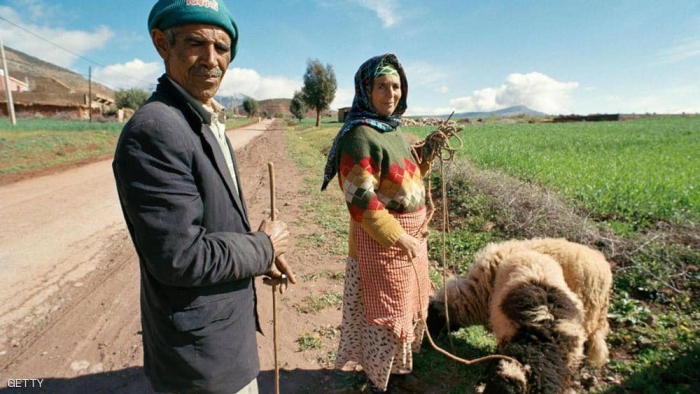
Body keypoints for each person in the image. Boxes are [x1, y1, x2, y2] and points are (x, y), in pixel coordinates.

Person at [112, 1, 295, 393]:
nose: (212, 59)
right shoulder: (155, 130)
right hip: (201, 362)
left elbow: (212, 225)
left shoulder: (204, 120)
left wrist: (258, 257)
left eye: (222, 48)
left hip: (223, 341)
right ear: (163, 44)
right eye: (196, 42)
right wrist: (262, 246)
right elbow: (180, 256)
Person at [322, 54, 439, 393]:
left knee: (403, 308)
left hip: (408, 240)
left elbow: (403, 181)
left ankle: (397, 374)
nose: (391, 93)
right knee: (384, 314)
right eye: (382, 86)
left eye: (396, 86)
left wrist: (427, 154)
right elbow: (361, 201)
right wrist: (398, 237)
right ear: (365, 90)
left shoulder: (393, 131)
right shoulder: (359, 136)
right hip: (381, 244)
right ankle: (378, 381)